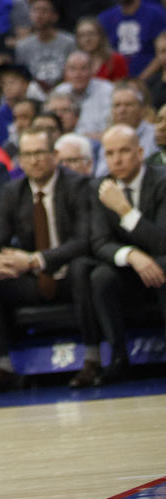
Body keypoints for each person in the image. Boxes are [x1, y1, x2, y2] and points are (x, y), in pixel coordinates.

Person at [0, 130, 101, 392]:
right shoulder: (13, 191)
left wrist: (34, 260)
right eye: (28, 155)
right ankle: (2, 365)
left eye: (40, 153)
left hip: (70, 274)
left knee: (82, 269)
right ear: (20, 160)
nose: (34, 160)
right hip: (33, 281)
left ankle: (93, 358)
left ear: (54, 156)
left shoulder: (79, 185)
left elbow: (84, 241)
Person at [89, 125, 166, 381]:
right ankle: (119, 357)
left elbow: (162, 243)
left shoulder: (162, 181)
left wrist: (125, 211)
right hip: (129, 270)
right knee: (100, 276)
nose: (117, 159)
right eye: (110, 153)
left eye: (124, 151)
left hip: (161, 266)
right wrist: (132, 255)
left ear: (140, 152)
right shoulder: (100, 187)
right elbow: (99, 243)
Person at [98, 0, 166, 80]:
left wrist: (139, 81)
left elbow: (162, 53)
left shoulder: (156, 14)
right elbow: (102, 54)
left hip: (152, 80)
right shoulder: (104, 18)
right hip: (116, 82)